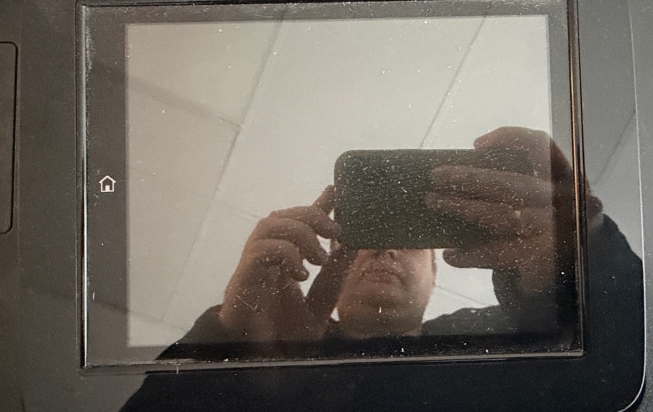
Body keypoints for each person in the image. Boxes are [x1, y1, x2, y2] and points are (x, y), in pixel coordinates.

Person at [166, 126, 606, 355]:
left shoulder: (495, 335)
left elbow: (614, 367)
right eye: (366, 236)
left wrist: (576, 260)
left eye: (406, 236)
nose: (383, 249)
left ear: (435, 273)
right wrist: (233, 340)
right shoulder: (277, 340)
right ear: (330, 261)